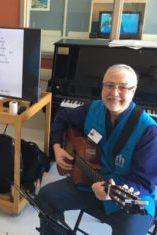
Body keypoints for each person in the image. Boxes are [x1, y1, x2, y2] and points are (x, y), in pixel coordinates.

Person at [37, 64, 157, 235]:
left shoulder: (149, 131)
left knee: (130, 231)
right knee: (46, 196)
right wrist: (56, 147)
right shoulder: (93, 108)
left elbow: (143, 182)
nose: (114, 93)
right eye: (109, 85)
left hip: (126, 197)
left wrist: (110, 193)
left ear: (133, 90)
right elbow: (61, 117)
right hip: (90, 181)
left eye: (122, 87)